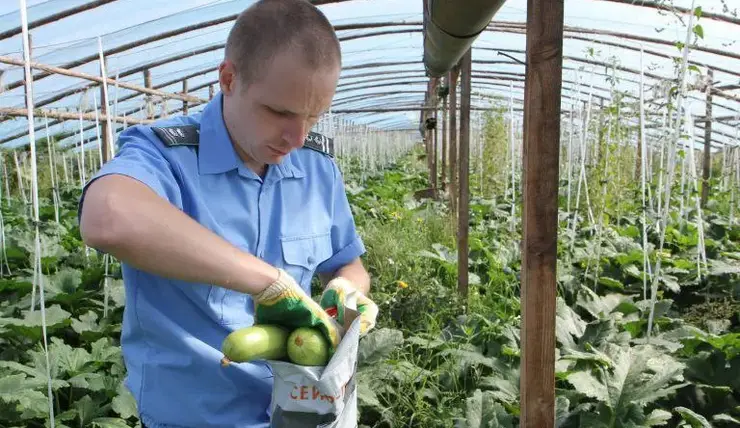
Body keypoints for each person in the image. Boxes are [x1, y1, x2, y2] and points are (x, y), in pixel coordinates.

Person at [77, 0, 378, 426]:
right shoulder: (168, 156)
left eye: (313, 117)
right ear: (229, 79)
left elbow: (347, 262)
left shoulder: (316, 168)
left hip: (309, 409)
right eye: (280, 113)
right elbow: (108, 216)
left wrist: (347, 291)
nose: (297, 137)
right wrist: (269, 282)